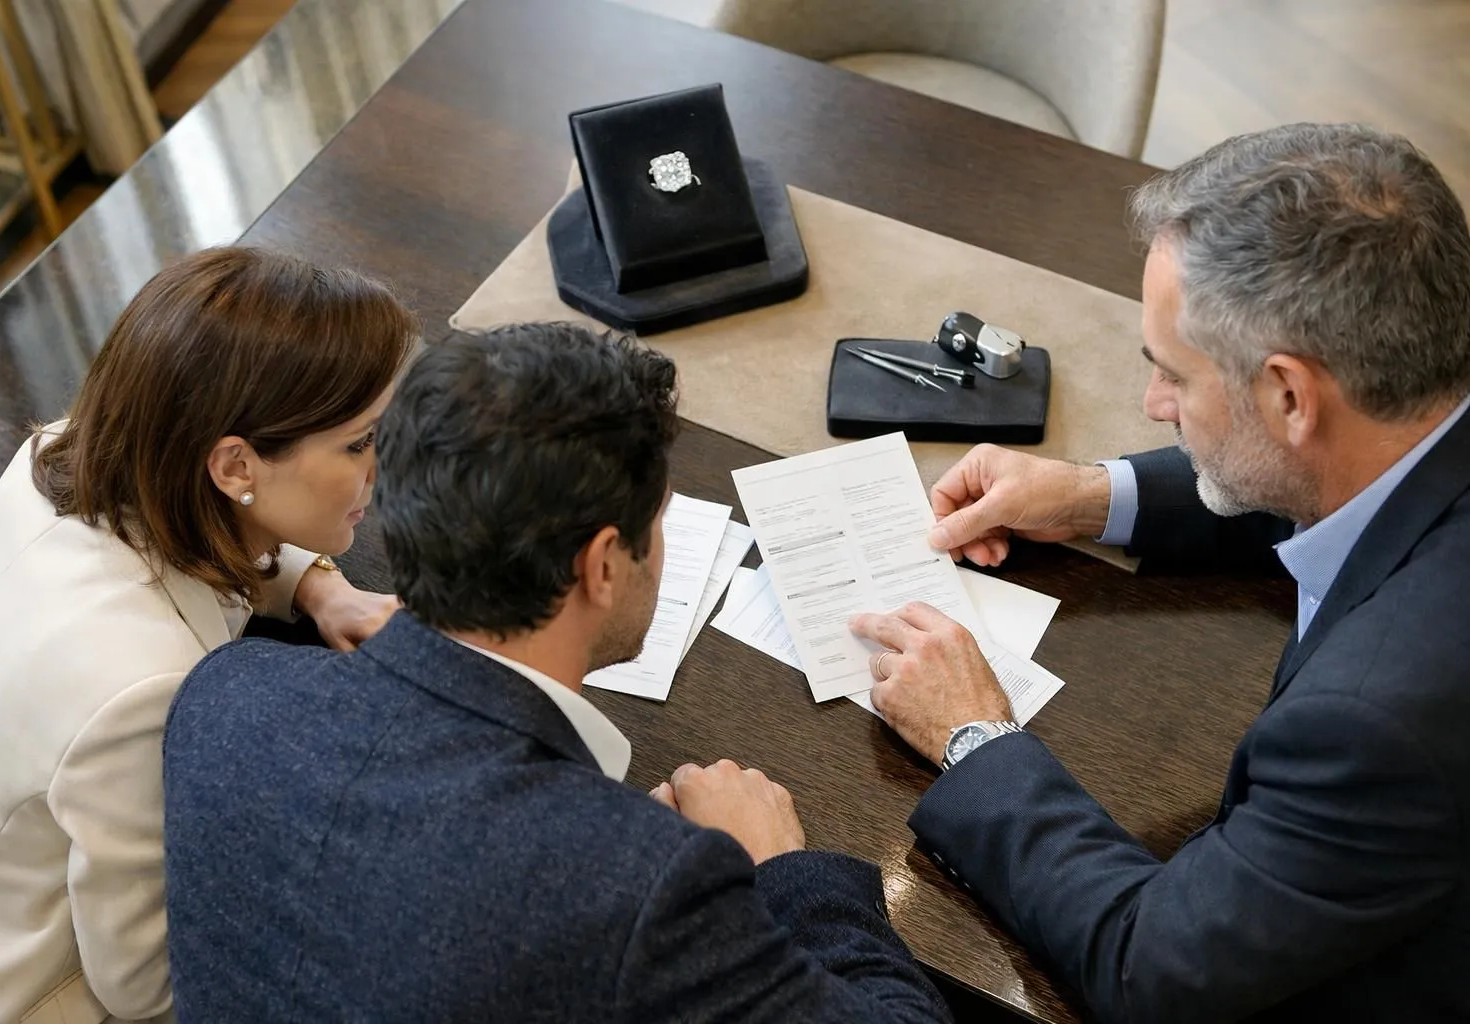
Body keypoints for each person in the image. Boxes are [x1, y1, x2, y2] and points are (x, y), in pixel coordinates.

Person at [850, 122, 1470, 1023]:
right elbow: (1331, 464)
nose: (1150, 404)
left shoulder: (1373, 727)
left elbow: (1156, 970)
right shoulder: (1418, 385)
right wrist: (1089, 495)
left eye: (1175, 377)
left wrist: (974, 737)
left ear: (1290, 395)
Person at [160, 323, 952, 1023]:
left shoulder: (224, 695)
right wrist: (783, 869)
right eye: (659, 522)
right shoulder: (643, 891)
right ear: (602, 564)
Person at [0, 247, 413, 1023]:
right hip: (31, 992)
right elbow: (148, 980)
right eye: (358, 442)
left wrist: (320, 587)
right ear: (236, 464)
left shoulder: (65, 453)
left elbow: (198, 523)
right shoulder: (142, 689)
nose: (379, 465)